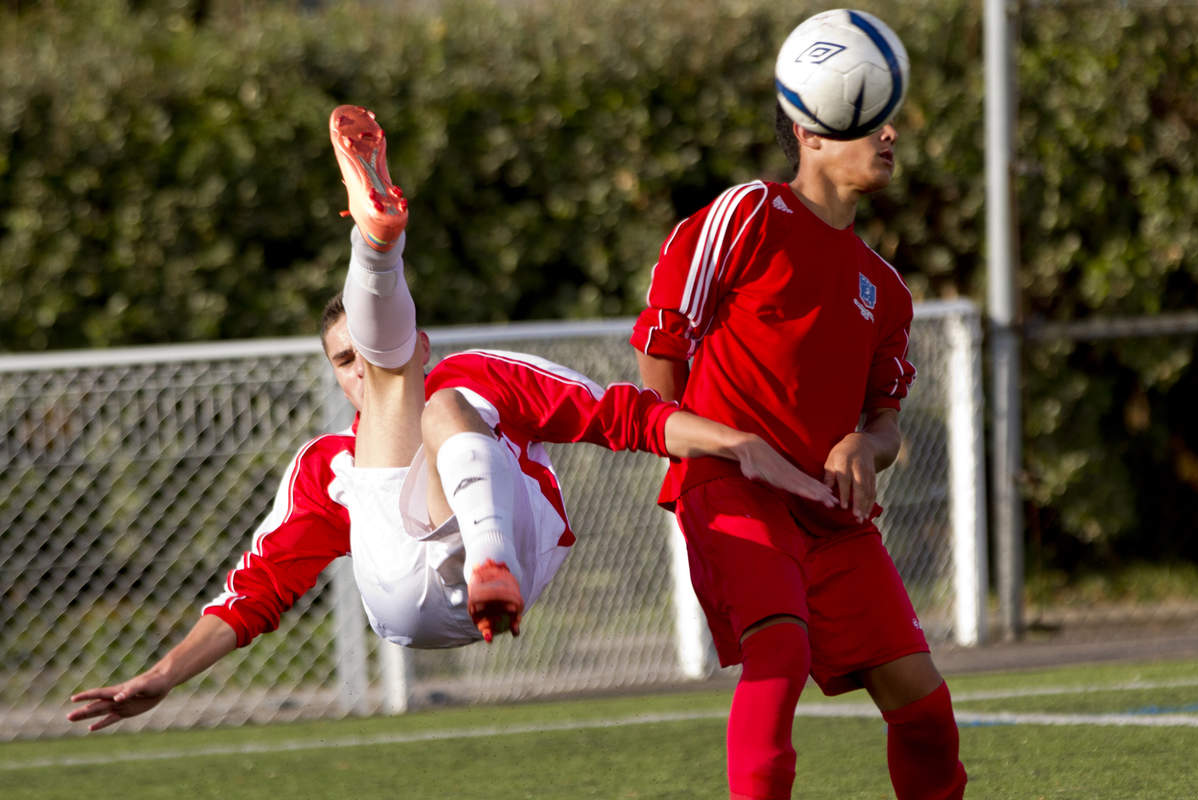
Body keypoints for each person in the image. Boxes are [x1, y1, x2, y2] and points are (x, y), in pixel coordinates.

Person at [66, 105, 836, 733]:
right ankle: (375, 248)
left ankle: (376, 252)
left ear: (419, 341)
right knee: (414, 410)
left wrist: (737, 442)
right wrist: (160, 678)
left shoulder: (480, 376)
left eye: (367, 354)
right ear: (338, 375)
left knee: (443, 401)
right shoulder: (325, 467)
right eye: (345, 363)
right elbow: (256, 590)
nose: (360, 372)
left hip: (510, 544)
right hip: (401, 594)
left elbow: (624, 417)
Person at [629, 40, 969, 800]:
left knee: (925, 711)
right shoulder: (747, 214)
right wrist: (692, 448)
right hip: (732, 489)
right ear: (810, 132)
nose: (889, 135)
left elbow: (887, 426)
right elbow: (661, 347)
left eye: (890, 122)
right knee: (778, 653)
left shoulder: (886, 288)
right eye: (868, 120)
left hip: (830, 515)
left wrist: (862, 442)